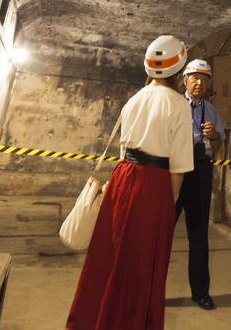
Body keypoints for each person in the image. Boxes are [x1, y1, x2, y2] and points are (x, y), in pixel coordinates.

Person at [67, 35, 194, 330]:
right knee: (143, 262)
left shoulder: (134, 99)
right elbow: (178, 167)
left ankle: (95, 319)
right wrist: (168, 204)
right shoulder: (178, 104)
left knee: (110, 255)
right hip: (154, 185)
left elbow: (125, 150)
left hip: (123, 176)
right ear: (179, 69)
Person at [175, 58, 225, 310]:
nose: (198, 83)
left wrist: (213, 135)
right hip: (175, 171)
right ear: (184, 80)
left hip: (200, 172)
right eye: (194, 78)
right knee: (162, 231)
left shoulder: (212, 111)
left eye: (203, 79)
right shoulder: (173, 105)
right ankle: (148, 289)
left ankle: (200, 292)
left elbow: (217, 147)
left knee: (199, 234)